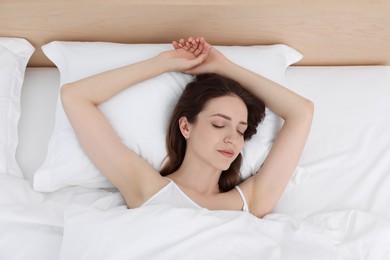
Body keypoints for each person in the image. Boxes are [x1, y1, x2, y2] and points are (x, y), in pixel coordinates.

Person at [60, 37, 313, 218]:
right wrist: (164, 63)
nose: (232, 139)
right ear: (186, 126)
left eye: (240, 130)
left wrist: (224, 66)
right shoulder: (148, 189)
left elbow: (301, 111)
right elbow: (75, 96)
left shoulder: (251, 202)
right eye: (219, 124)